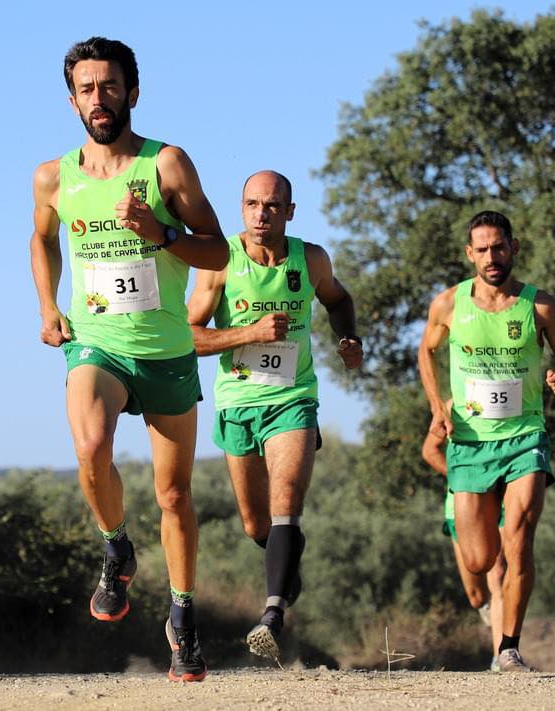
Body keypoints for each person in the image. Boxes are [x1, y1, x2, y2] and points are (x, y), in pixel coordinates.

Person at [28, 36, 228, 682]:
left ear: (132, 93)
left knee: (173, 494)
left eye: (109, 87)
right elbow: (41, 237)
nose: (99, 99)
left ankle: (182, 615)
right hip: (96, 341)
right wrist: (47, 306)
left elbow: (219, 251)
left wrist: (163, 233)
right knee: (90, 446)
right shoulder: (54, 176)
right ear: (72, 100)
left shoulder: (166, 165)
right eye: (87, 89)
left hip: (166, 349)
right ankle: (115, 545)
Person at [186, 170, 362, 661]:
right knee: (255, 525)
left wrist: (349, 339)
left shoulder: (311, 259)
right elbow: (189, 335)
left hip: (293, 399)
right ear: (241, 208)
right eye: (252, 204)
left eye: (271, 206)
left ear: (289, 212)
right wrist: (248, 334)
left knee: (287, 499)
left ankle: (273, 613)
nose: (261, 214)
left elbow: (339, 300)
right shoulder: (221, 261)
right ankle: (285, 568)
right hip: (239, 404)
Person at [417, 210, 555, 672]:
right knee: (478, 561)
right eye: (483, 249)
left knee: (519, 539)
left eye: (500, 247)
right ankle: (499, 610)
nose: (493, 256)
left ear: (514, 247)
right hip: (471, 443)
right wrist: (437, 405)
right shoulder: (449, 304)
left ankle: (508, 647)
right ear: (470, 254)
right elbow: (426, 352)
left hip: (524, 436)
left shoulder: (541, 307)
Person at [422, 425, 506, 671]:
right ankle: (493, 616)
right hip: (461, 505)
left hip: (499, 500)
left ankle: (501, 655)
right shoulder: (452, 405)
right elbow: (430, 451)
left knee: (498, 574)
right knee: (476, 596)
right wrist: (465, 481)